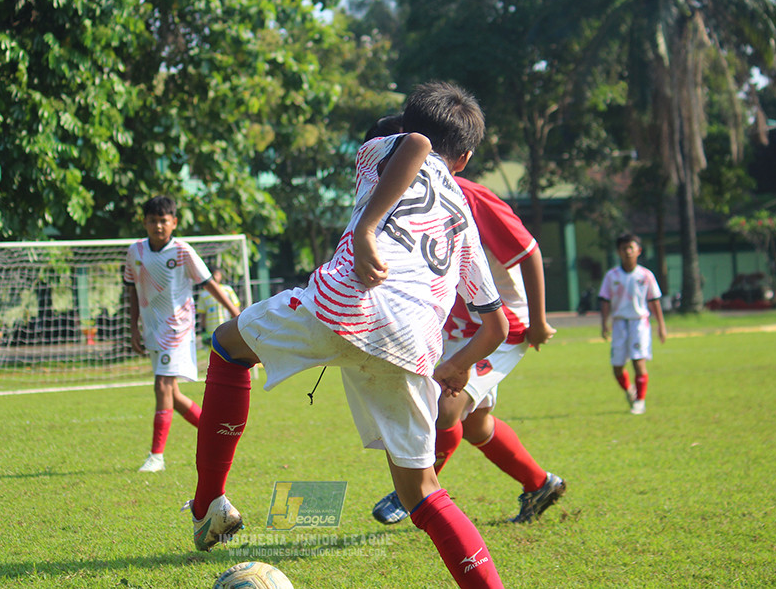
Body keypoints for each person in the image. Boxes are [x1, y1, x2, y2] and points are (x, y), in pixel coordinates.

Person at [185, 81, 510, 588]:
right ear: (465, 159)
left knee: (228, 347)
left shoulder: (385, 146)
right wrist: (457, 364)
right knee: (424, 494)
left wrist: (365, 230)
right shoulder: (464, 220)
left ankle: (209, 504)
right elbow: (497, 326)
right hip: (414, 341)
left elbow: (417, 144)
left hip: (346, 303)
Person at [366, 116, 565, 526]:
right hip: (457, 326)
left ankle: (413, 492)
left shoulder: (470, 197)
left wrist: (539, 321)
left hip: (503, 324)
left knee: (446, 407)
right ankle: (539, 483)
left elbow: (528, 251)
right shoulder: (393, 200)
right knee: (476, 425)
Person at [123, 196, 241, 472]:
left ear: (174, 222)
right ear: (144, 222)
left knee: (162, 386)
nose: (158, 226)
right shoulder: (135, 252)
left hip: (177, 328)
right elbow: (131, 289)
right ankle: (219, 436)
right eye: (153, 220)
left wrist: (236, 312)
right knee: (172, 395)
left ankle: (156, 457)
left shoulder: (182, 251)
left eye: (163, 221)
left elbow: (208, 283)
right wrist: (133, 327)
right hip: (152, 328)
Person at [598, 232, 667, 415]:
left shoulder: (646, 275)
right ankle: (630, 391)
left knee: (638, 362)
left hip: (639, 324)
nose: (628, 252)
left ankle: (640, 401)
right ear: (618, 252)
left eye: (631, 248)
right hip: (619, 324)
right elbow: (605, 300)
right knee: (617, 368)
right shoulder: (611, 276)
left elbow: (654, 301)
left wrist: (661, 325)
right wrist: (604, 323)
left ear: (639, 251)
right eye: (624, 248)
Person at [196, 268, 241, 344]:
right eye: (212, 275)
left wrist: (236, 323)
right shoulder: (204, 294)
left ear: (221, 276)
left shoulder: (227, 290)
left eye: (216, 275)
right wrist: (203, 329)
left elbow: (236, 306)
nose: (214, 277)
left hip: (227, 327)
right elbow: (203, 313)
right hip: (212, 330)